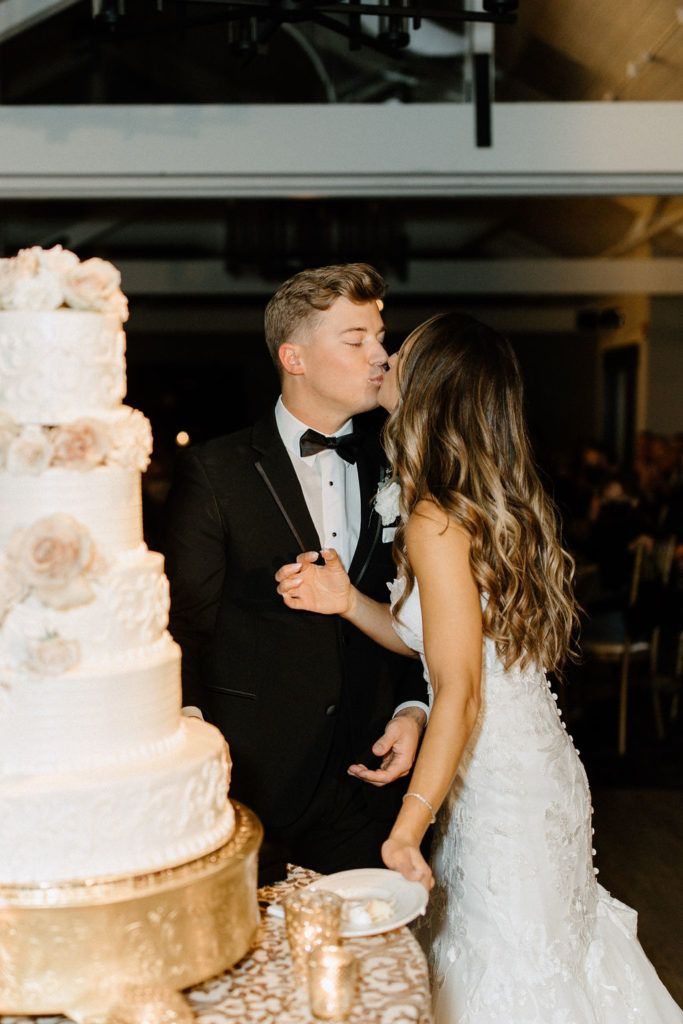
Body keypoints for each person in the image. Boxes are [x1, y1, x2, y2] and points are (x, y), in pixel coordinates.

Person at [275, 312, 683, 1023]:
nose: (385, 359)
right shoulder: (470, 499)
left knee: (513, 976)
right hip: (521, 772)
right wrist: (348, 603)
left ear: (429, 387)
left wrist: (407, 824)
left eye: (400, 355)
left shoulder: (436, 515)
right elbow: (439, 649)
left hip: (502, 792)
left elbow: (459, 689)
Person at [163, 263, 428, 883]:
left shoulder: (405, 461)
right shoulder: (217, 472)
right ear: (295, 357)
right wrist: (198, 748)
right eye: (356, 339)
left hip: (369, 781)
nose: (381, 357)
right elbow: (182, 627)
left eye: (381, 338)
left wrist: (415, 708)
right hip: (252, 782)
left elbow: (428, 610)